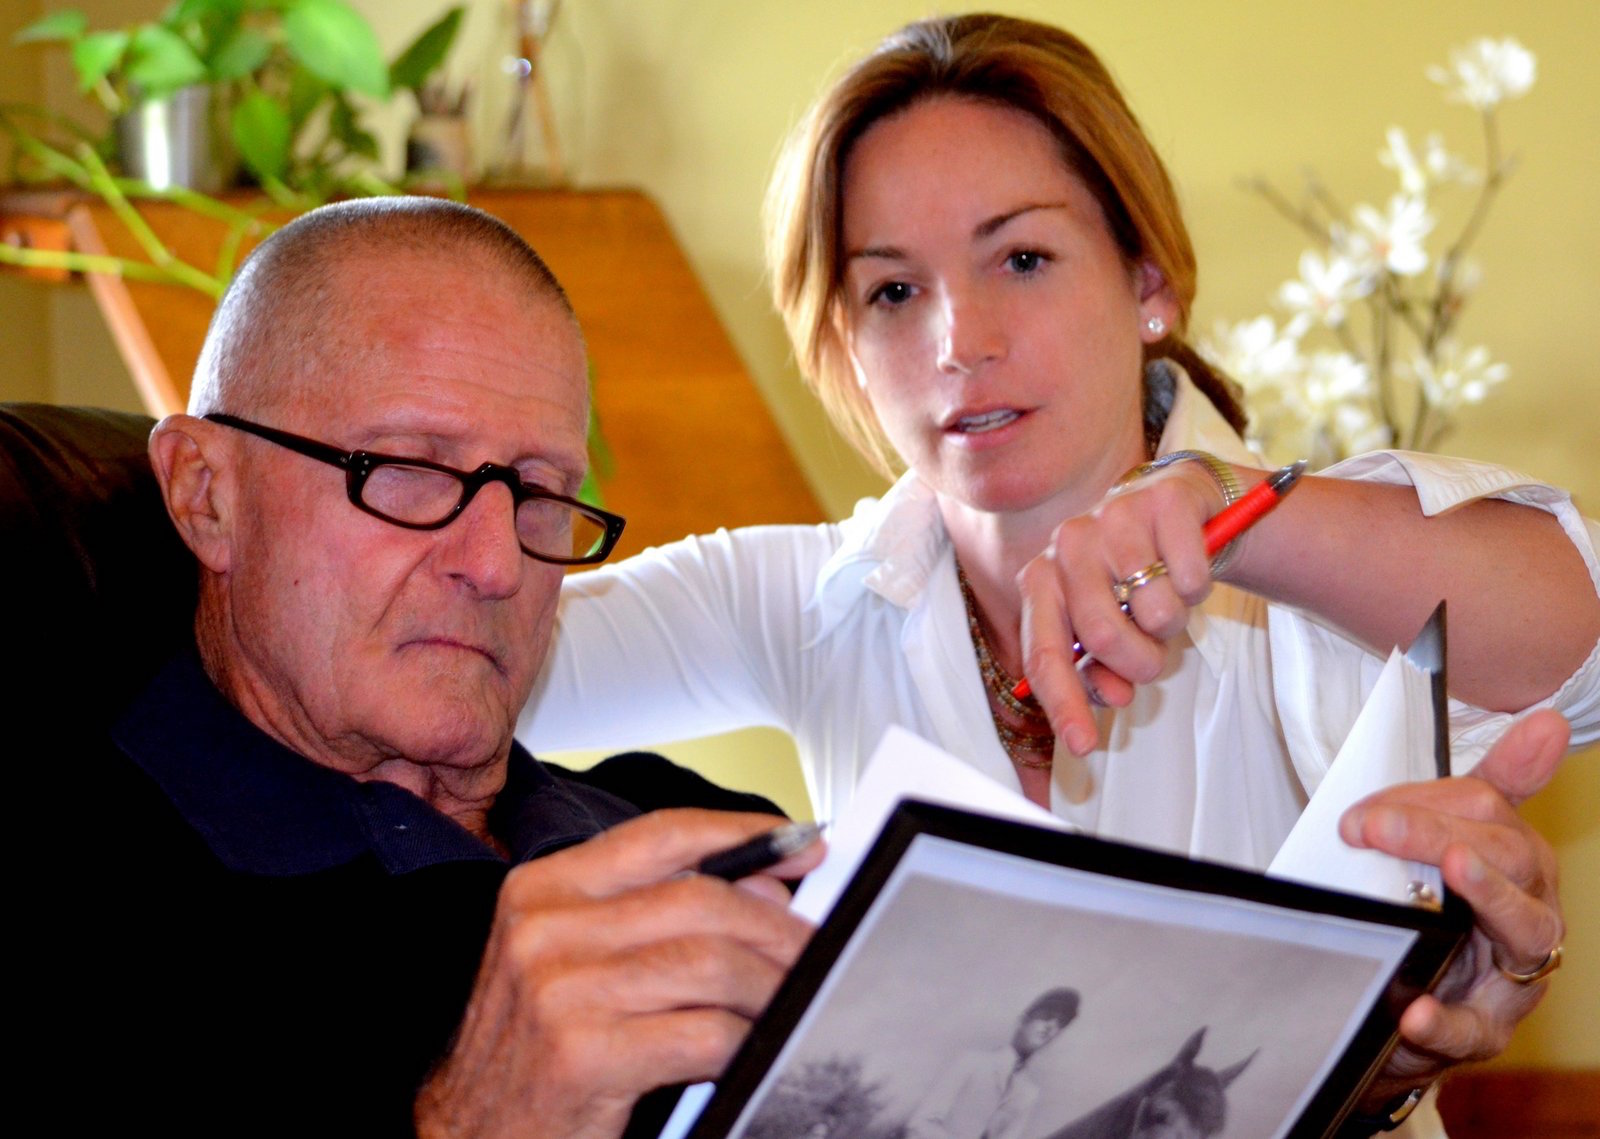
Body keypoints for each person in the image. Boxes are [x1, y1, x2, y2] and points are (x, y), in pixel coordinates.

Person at [518, 13, 1600, 1133]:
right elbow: (461, 665)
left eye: (1021, 258)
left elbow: (1585, 644)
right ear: (840, 344)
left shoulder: (1299, 580)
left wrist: (1233, 518)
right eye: (892, 290)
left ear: (1148, 279)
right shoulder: (805, 599)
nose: (959, 339)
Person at [18, 197, 823, 1139]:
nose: (494, 563)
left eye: (538, 491)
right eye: (408, 469)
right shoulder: (62, 891)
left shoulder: (689, 835)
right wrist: (472, 1123)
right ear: (206, 494)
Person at [905, 988, 1080, 1139]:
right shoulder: (973, 1061)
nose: (1051, 1027)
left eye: (1060, 1024)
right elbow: (919, 1124)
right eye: (1047, 1017)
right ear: (1024, 1019)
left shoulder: (1028, 1094)